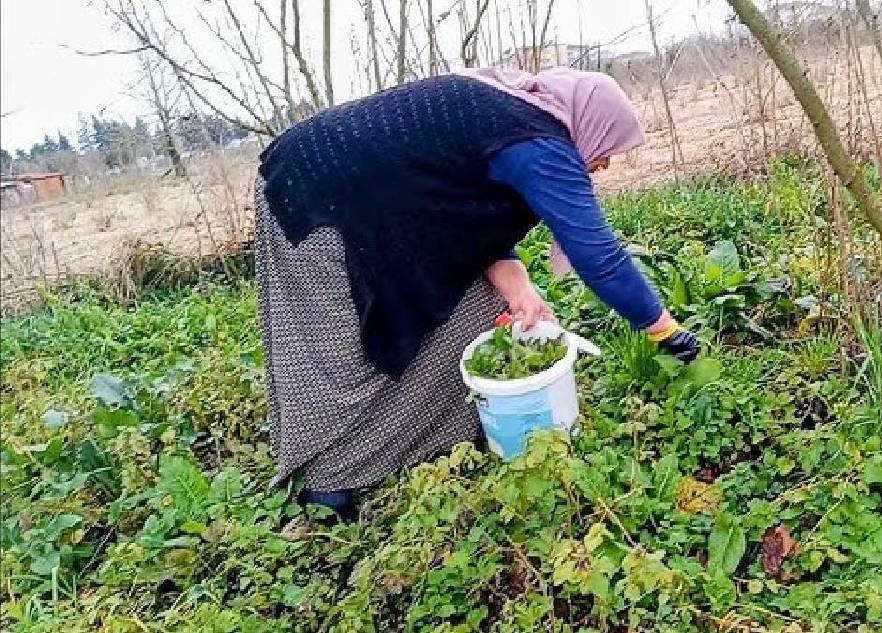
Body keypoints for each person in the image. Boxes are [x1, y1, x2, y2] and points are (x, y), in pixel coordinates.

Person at [254, 66, 700, 522]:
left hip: (380, 205)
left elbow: (462, 206)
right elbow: (601, 258)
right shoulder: (534, 141)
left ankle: (445, 435)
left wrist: (521, 292)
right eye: (608, 147)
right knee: (341, 353)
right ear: (589, 122)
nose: (604, 163)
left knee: (475, 312)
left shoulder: (511, 113)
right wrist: (665, 331)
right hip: (311, 190)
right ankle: (330, 484)